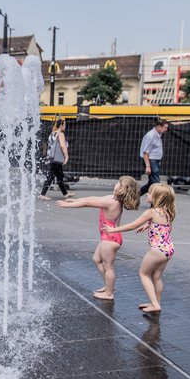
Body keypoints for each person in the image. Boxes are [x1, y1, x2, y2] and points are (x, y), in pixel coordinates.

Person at [56, 176, 141, 300]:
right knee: (96, 259)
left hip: (110, 239)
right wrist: (73, 201)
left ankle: (109, 293)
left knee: (108, 266)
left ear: (122, 189)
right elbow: (92, 198)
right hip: (109, 237)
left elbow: (88, 203)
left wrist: (67, 205)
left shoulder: (112, 202)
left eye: (118, 183)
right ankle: (108, 285)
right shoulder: (111, 199)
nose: (115, 184)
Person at [104, 183, 176, 313]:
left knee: (143, 274)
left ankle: (154, 304)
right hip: (168, 249)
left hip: (157, 250)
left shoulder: (151, 212)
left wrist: (113, 229)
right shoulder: (168, 211)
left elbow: (132, 225)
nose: (147, 195)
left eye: (150, 193)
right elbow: (166, 227)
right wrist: (149, 225)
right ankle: (156, 302)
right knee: (157, 276)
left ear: (157, 197)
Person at [40, 119, 74, 200]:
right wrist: (66, 157)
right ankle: (42, 194)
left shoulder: (52, 134)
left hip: (52, 158)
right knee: (51, 176)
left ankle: (65, 194)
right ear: (61, 125)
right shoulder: (60, 134)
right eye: (64, 125)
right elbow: (63, 146)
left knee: (59, 176)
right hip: (57, 158)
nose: (65, 126)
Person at [139, 119, 169, 196]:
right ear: (159, 127)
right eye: (165, 127)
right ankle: (155, 203)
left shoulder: (158, 135)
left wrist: (158, 160)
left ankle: (134, 196)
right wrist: (148, 166)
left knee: (151, 183)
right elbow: (146, 152)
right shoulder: (150, 136)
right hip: (151, 161)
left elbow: (155, 150)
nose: (166, 129)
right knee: (156, 184)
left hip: (155, 161)